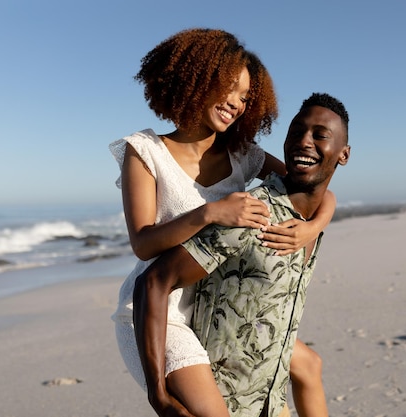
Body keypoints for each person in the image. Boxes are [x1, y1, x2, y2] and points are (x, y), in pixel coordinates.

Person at [110, 29, 333, 417]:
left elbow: (310, 185)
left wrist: (314, 227)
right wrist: (209, 213)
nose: (237, 103)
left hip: (221, 310)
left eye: (246, 96)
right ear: (195, 78)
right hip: (161, 313)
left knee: (307, 364)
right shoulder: (145, 151)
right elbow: (143, 244)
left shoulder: (241, 154)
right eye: (229, 87)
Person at [134, 93, 351, 417]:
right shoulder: (252, 215)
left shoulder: (309, 216)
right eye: (296, 132)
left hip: (270, 394)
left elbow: (323, 195)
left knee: (310, 365)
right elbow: (152, 281)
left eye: (320, 135)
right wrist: (159, 396)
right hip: (224, 400)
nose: (304, 142)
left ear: (344, 155)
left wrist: (317, 225)